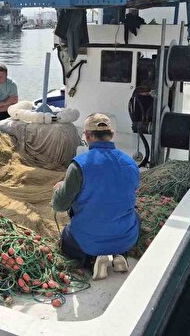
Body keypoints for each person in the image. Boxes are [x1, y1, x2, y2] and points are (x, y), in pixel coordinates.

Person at [51, 113, 140, 280]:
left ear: (87, 136)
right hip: (126, 239)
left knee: (67, 237)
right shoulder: (131, 163)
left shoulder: (79, 165)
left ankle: (93, 260)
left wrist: (59, 189)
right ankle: (120, 254)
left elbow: (60, 205)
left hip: (88, 241)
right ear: (112, 134)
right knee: (133, 215)